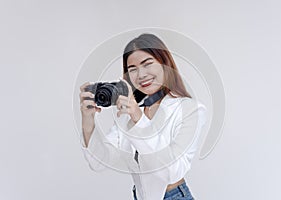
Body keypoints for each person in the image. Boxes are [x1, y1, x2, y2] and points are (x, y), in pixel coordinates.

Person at [79, 33, 207, 200]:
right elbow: (99, 162)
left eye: (147, 64)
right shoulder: (128, 113)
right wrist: (88, 121)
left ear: (164, 63)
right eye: (132, 69)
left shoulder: (191, 110)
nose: (141, 75)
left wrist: (138, 118)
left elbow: (171, 172)